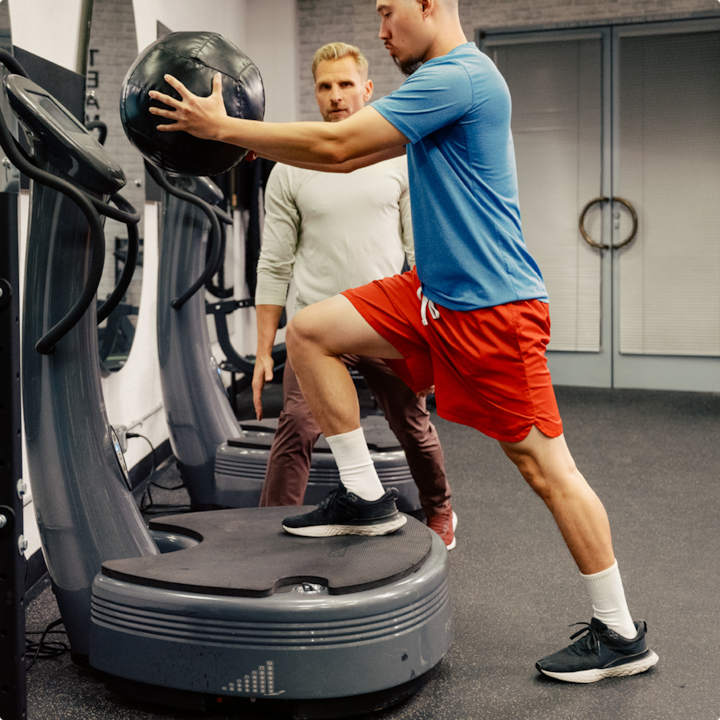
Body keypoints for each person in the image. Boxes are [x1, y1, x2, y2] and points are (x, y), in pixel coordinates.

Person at [149, 0, 658, 684]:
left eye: (389, 12)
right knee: (311, 331)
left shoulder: (460, 77)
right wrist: (243, 141)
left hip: (491, 310)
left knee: (547, 470)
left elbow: (339, 146)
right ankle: (363, 494)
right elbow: (335, 161)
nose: (383, 31)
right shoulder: (437, 85)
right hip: (430, 295)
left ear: (429, 4)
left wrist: (226, 127)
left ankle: (620, 631)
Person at [252, 41, 455, 548]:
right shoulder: (290, 169)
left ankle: (441, 510)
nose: (336, 96)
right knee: (296, 426)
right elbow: (273, 263)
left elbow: (421, 255)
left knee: (411, 423)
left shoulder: (398, 159)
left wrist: (431, 340)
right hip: (316, 326)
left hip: (382, 319)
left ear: (367, 89)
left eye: (346, 85)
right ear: (314, 93)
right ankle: (268, 531)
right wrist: (261, 351)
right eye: (325, 86)